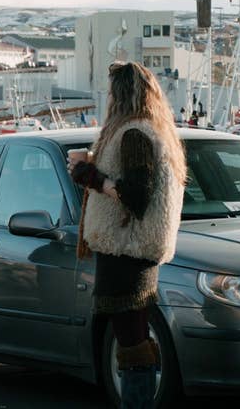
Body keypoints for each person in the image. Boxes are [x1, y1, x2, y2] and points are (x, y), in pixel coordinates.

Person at [68, 61, 186, 409]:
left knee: (132, 341)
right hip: (133, 251)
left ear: (120, 95)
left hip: (126, 251)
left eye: (111, 92)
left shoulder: (134, 134)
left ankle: (137, 403)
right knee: (134, 338)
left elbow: (136, 195)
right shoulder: (150, 131)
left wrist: (91, 176)